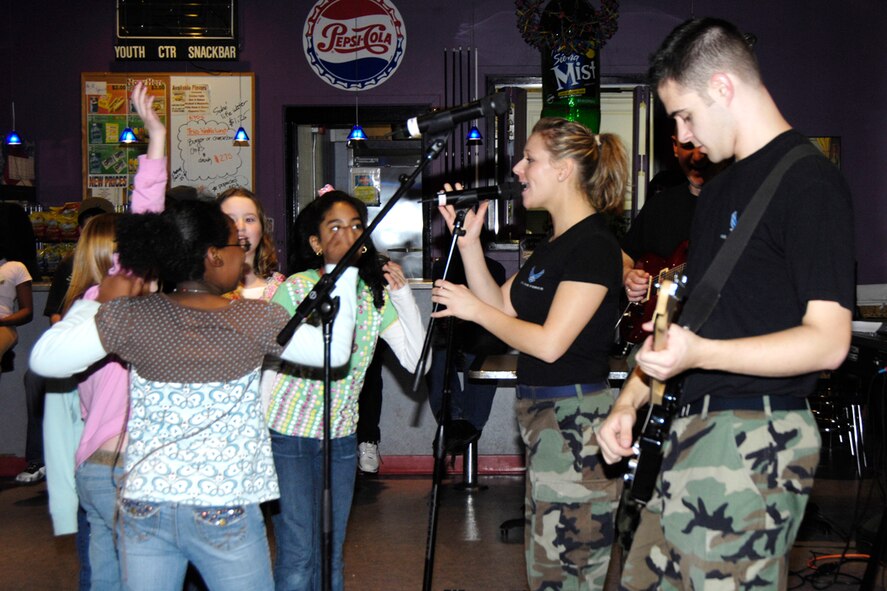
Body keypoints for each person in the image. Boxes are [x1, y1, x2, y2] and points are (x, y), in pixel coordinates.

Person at [597, 18, 855, 590]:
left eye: (685, 115)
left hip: (757, 435)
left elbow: (829, 340)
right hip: (689, 428)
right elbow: (689, 323)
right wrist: (629, 401)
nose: (684, 136)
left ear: (722, 87)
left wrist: (700, 352)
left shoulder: (809, 183)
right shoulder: (716, 193)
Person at [29, 198, 359, 591]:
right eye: (238, 246)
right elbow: (335, 354)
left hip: (145, 506)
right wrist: (344, 270)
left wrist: (99, 303)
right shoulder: (253, 318)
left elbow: (46, 359)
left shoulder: (133, 315)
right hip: (224, 507)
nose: (244, 255)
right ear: (214, 257)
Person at [430, 117, 629, 590]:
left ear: (563, 171)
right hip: (545, 421)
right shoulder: (554, 245)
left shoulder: (595, 246)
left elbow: (549, 341)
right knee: (547, 573)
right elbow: (503, 305)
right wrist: (471, 245)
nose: (518, 169)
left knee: (571, 571)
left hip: (576, 422)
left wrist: (472, 309)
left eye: (530, 159)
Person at [265, 190, 425, 591]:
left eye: (356, 226)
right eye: (335, 227)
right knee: (299, 553)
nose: (348, 235)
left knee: (331, 554)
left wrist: (403, 296)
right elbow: (268, 364)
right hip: (289, 436)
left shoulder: (372, 296)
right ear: (315, 243)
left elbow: (416, 361)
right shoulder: (297, 289)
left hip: (340, 438)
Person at [427, 245, 509, 454]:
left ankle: (458, 424)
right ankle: (464, 424)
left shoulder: (443, 268)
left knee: (476, 352)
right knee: (441, 351)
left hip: (476, 335)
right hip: (461, 334)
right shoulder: (492, 268)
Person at [218, 186, 285, 301]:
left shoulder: (283, 290)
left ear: (263, 228)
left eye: (249, 219)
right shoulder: (204, 291)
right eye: (230, 219)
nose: (240, 227)